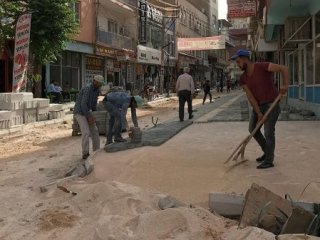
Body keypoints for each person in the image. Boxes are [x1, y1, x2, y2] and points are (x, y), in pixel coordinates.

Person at [231, 49, 288, 169]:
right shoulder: (243, 78)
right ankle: (267, 152)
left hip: (271, 104)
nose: (238, 64)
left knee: (268, 132)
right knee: (253, 129)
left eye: (238, 61)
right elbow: (250, 96)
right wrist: (258, 112)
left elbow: (283, 68)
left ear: (245, 58)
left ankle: (269, 160)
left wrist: (285, 85)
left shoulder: (262, 66)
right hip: (259, 105)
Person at [73, 75, 104, 160]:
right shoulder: (87, 88)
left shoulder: (97, 90)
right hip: (79, 112)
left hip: (87, 112)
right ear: (94, 81)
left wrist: (95, 116)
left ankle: (96, 151)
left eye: (101, 84)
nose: (100, 85)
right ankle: (85, 153)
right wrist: (89, 116)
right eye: (99, 83)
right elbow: (83, 105)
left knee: (95, 131)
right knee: (86, 132)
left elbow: (94, 105)